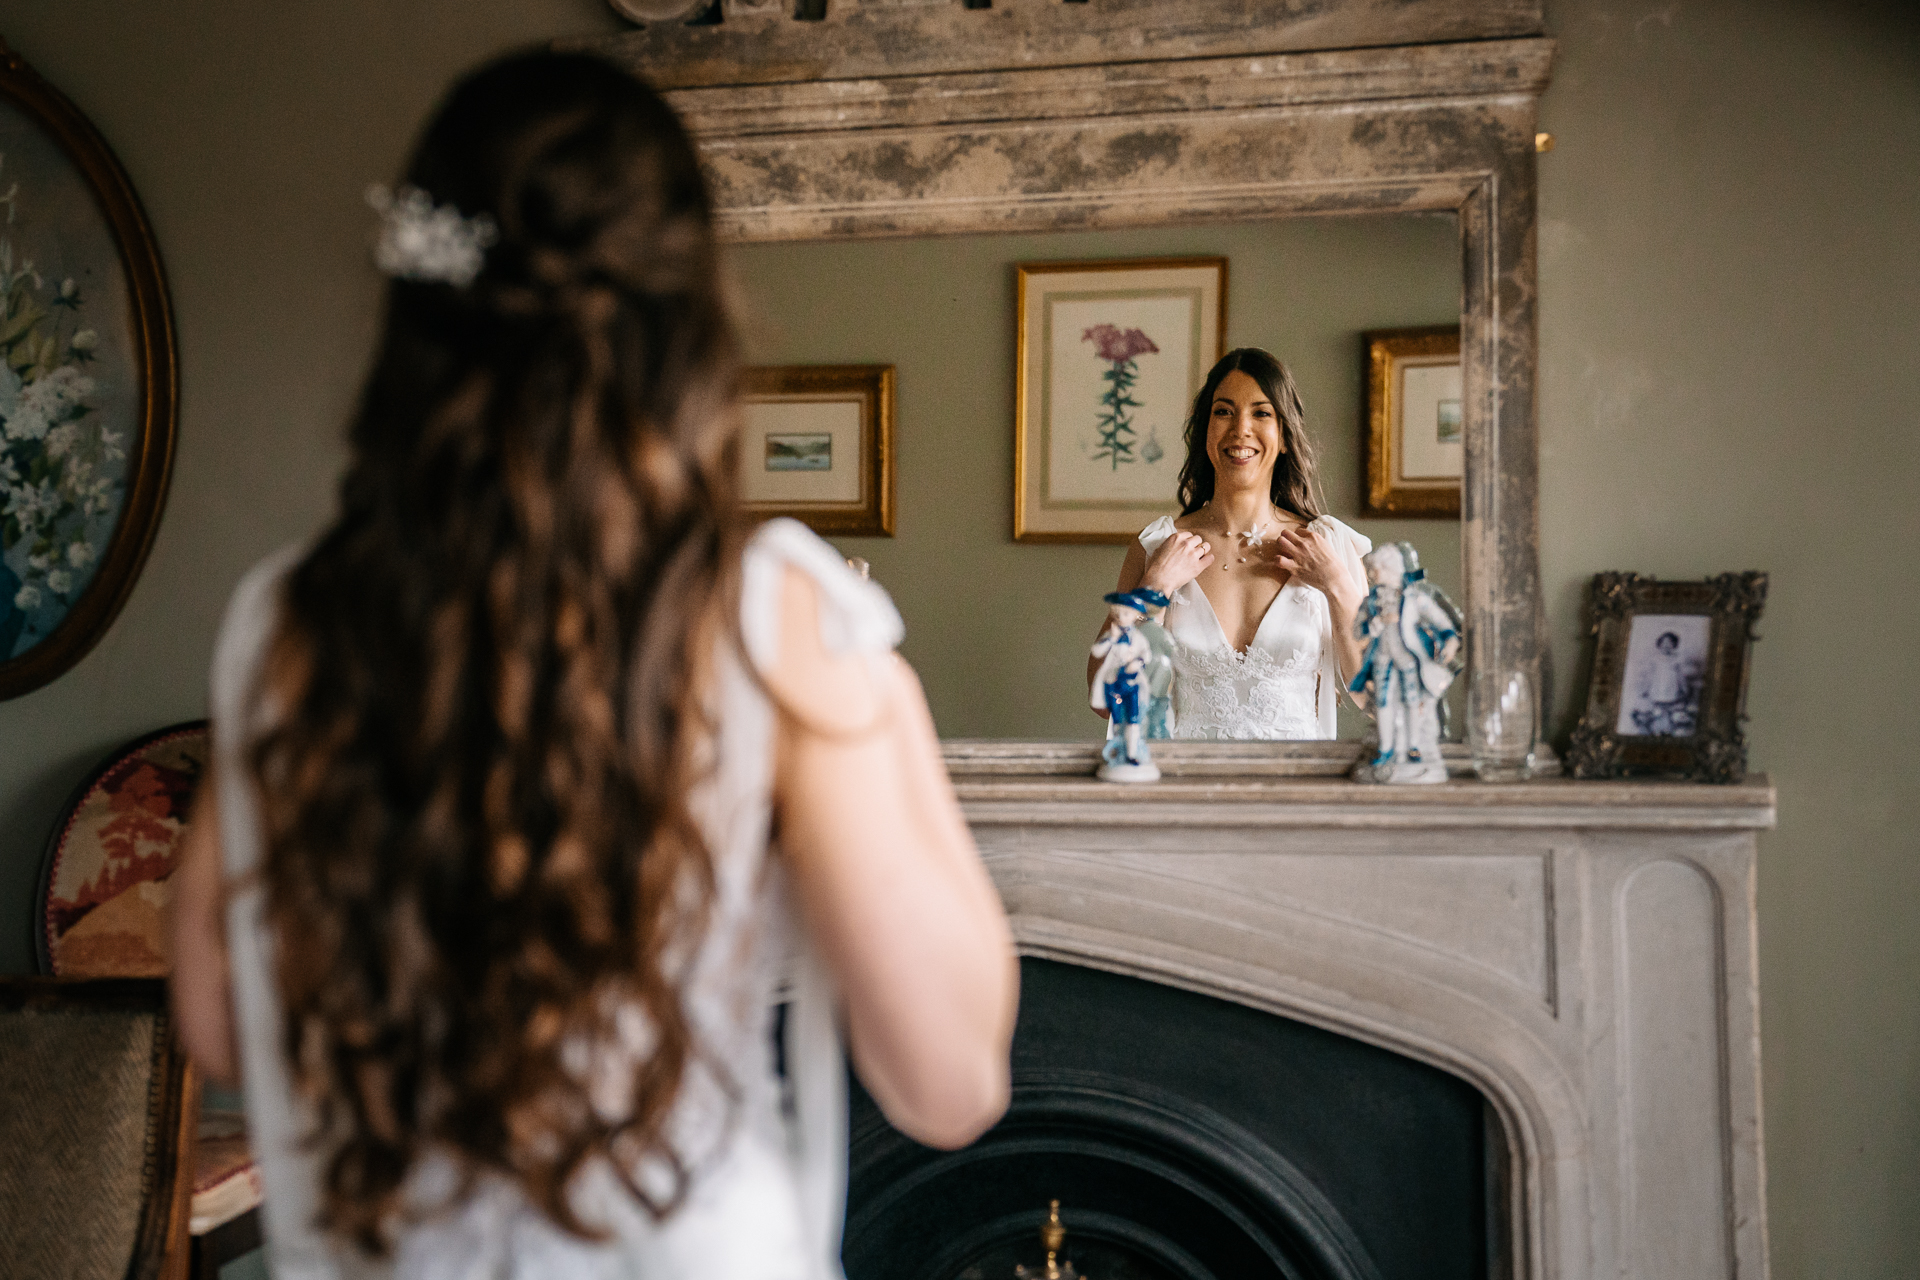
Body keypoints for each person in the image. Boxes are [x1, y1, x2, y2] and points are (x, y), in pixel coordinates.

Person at [167, 51, 1016, 1279]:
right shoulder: (773, 616)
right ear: (692, 316)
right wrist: (877, 695)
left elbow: (217, 1017)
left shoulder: (293, 617)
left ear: (421, 301)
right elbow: (948, 1080)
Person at [1091, 348, 1371, 740]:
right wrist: (1153, 590)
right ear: (1205, 430)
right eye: (1224, 411)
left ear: (1285, 435)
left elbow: (1376, 697)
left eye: (1261, 413)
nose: (1241, 429)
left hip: (1296, 789)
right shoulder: (1159, 546)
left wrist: (1337, 585)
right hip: (1188, 788)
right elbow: (1105, 697)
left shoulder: (1329, 545)